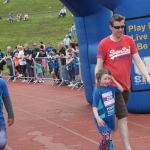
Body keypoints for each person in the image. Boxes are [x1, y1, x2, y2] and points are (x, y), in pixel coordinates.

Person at [95, 14, 150, 150]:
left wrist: (147, 76)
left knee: (117, 117)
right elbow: (99, 65)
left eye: (122, 27)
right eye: (117, 27)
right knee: (123, 117)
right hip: (112, 88)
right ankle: (127, 148)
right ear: (111, 27)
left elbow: (138, 60)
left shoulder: (129, 40)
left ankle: (108, 142)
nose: (120, 29)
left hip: (125, 86)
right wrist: (98, 83)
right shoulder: (104, 44)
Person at [93, 68, 123, 150]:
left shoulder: (111, 88)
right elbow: (94, 106)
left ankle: (108, 147)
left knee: (108, 137)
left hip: (110, 117)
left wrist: (113, 79)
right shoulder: (97, 90)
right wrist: (98, 118)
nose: (107, 81)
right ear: (99, 79)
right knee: (106, 137)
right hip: (101, 118)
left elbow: (121, 89)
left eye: (108, 79)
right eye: (105, 79)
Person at [0, 78, 14, 149]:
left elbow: (6, 99)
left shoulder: (1, 82)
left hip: (0, 119)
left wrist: (11, 115)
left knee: (2, 142)